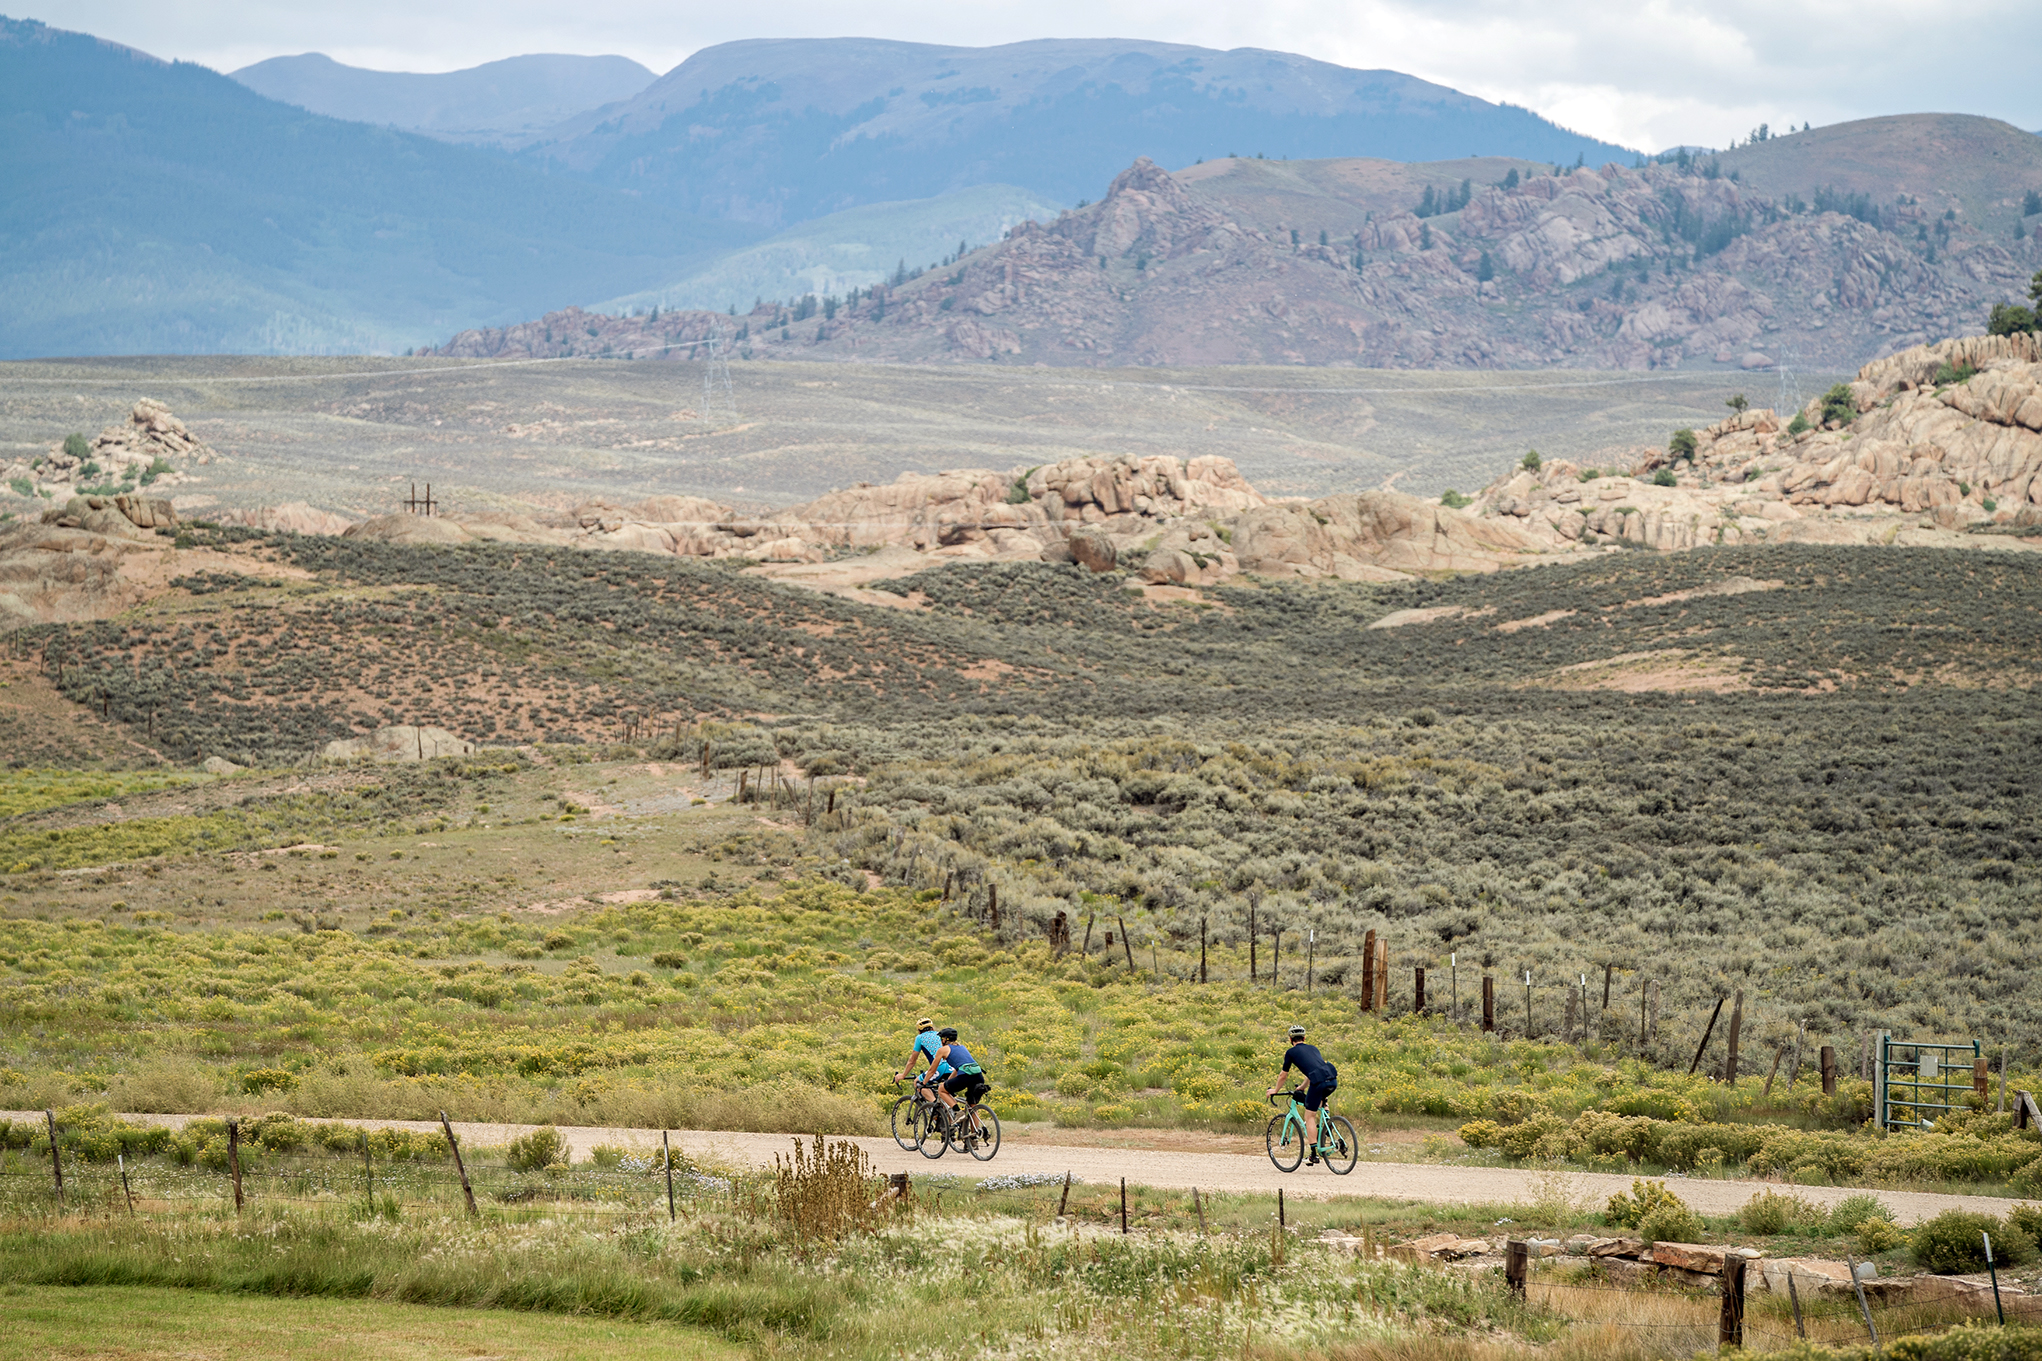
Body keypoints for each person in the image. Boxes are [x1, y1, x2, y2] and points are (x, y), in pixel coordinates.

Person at [1267, 1024, 1338, 1164]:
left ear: (1290, 1039)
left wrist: (1275, 1090)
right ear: (1304, 1038)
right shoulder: (1313, 1048)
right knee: (1321, 1104)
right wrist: (1302, 1087)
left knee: (1309, 1116)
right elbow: (1314, 1070)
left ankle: (1313, 1154)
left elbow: (1283, 1075)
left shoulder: (1291, 1052)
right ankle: (1327, 1127)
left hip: (1318, 1083)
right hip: (1332, 1079)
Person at [922, 1026, 989, 1134]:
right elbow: (959, 1068)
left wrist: (923, 1083)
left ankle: (958, 1112)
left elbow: (932, 1070)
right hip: (978, 1075)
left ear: (945, 1039)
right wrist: (948, 1081)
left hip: (966, 1076)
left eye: (941, 1039)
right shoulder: (962, 1047)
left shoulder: (943, 1050)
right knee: (972, 1106)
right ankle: (973, 1137)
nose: (941, 1041)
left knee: (941, 1089)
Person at [895, 1017, 950, 1098]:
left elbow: (912, 1060)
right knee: (943, 1090)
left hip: (939, 1068)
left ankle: (934, 1106)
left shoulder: (920, 1038)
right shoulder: (940, 1035)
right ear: (932, 1028)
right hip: (951, 1067)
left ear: (919, 1031)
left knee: (918, 1083)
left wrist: (903, 1075)